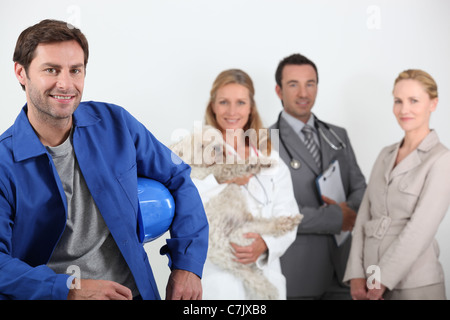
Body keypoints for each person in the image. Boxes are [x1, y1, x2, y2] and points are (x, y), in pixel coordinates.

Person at [0, 19, 209, 300]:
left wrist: (188, 265)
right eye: (51, 70)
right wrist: (68, 290)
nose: (66, 84)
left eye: (75, 70)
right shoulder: (4, 162)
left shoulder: (115, 124)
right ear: (21, 73)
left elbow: (178, 177)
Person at [189, 69, 301, 299]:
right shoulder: (195, 154)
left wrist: (265, 243)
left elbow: (288, 216)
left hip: (263, 273)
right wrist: (221, 179)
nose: (232, 111)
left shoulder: (271, 161)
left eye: (240, 102)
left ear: (251, 108)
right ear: (213, 106)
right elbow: (187, 206)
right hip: (216, 276)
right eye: (224, 102)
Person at [343, 69, 450, 300]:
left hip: (415, 284)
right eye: (398, 101)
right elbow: (364, 218)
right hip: (373, 282)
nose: (404, 110)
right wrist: (356, 274)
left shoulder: (441, 159)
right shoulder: (385, 154)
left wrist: (379, 279)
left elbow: (420, 230)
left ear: (433, 103)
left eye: (414, 101)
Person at [269, 53, 367, 299]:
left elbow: (360, 188)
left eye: (310, 83)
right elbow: (272, 214)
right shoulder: (263, 142)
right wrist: (336, 217)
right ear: (279, 90)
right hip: (298, 273)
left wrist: (352, 212)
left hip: (344, 268)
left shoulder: (337, 135)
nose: (304, 93)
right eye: (294, 84)